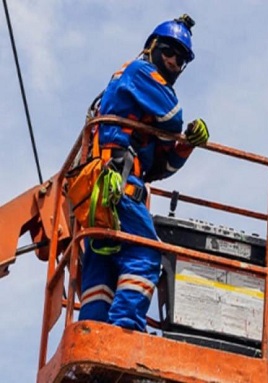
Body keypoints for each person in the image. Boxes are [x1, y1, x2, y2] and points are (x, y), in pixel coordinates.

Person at [78, 14, 210, 331]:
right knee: (146, 256)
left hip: (109, 191)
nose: (175, 61)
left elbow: (157, 168)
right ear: (152, 47)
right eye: (169, 51)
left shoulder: (139, 110)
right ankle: (125, 329)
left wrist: (184, 146)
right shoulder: (140, 72)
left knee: (104, 271)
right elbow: (173, 117)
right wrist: (177, 132)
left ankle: (93, 336)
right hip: (116, 188)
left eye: (182, 58)